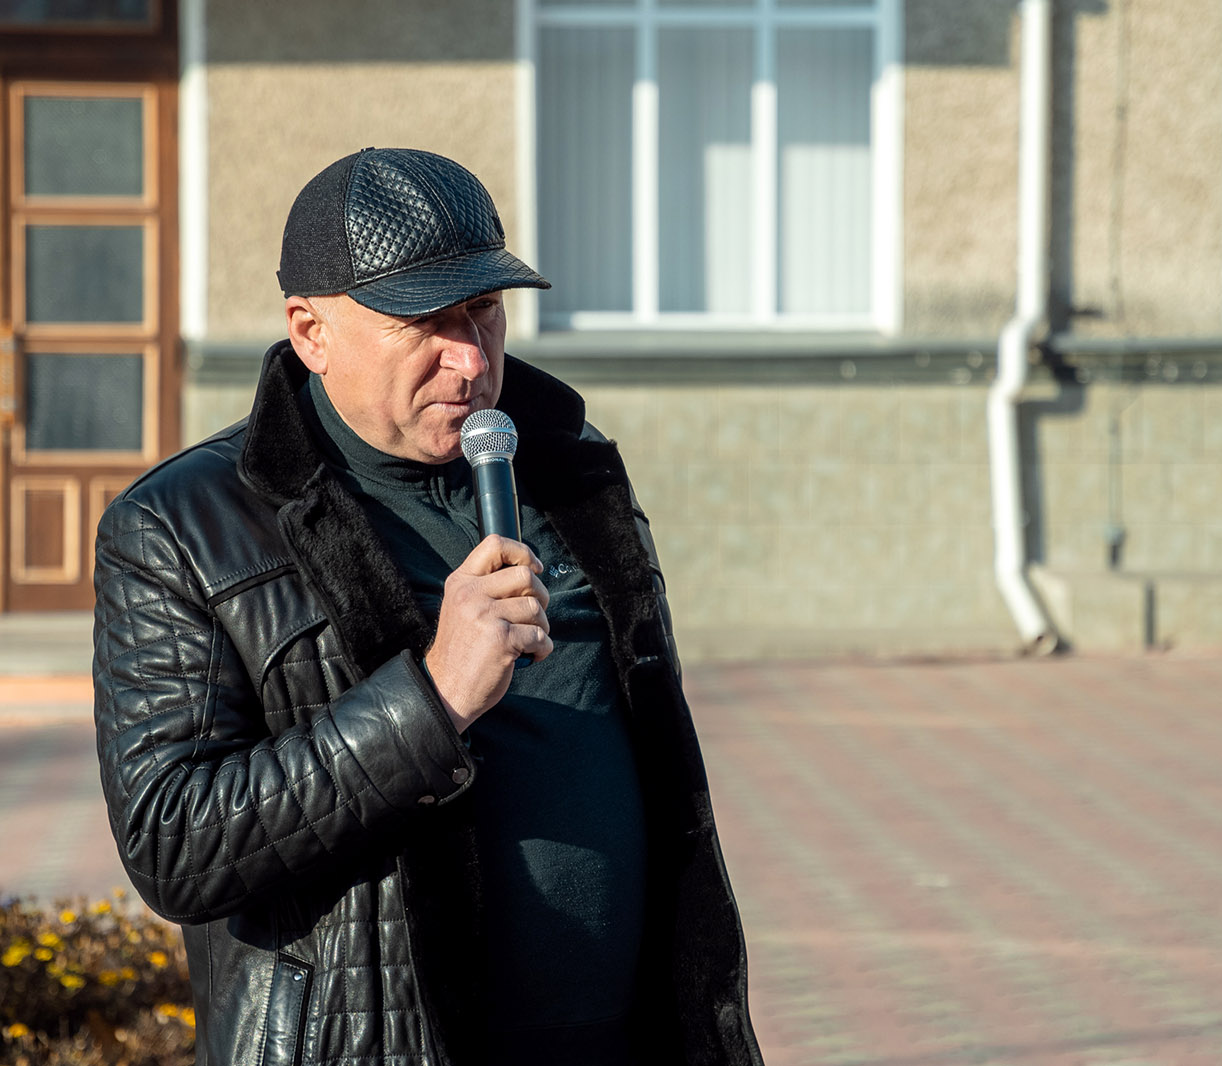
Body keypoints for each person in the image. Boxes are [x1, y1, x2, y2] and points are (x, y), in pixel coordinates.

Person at [92, 147, 763, 1066]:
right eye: (426, 323)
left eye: (484, 311)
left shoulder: (572, 472)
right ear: (311, 331)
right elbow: (174, 841)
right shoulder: (184, 526)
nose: (471, 358)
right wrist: (434, 699)